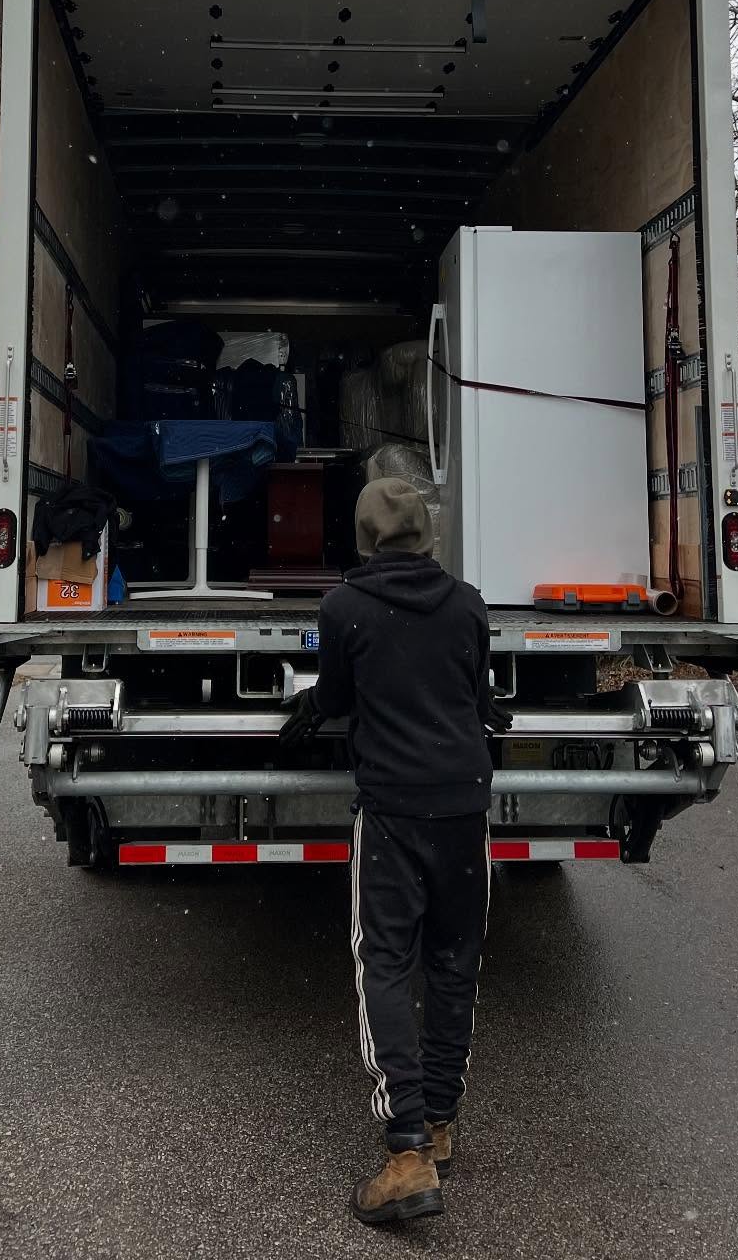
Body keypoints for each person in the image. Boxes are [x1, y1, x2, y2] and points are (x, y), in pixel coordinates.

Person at [280, 476, 510, 1225]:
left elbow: (339, 697)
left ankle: (406, 1151)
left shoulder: (344, 607)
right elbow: (473, 690)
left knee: (383, 963)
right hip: (464, 805)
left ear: (364, 537)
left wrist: (310, 707)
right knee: (453, 963)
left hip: (391, 812)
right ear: (426, 533)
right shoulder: (468, 602)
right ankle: (439, 1122)